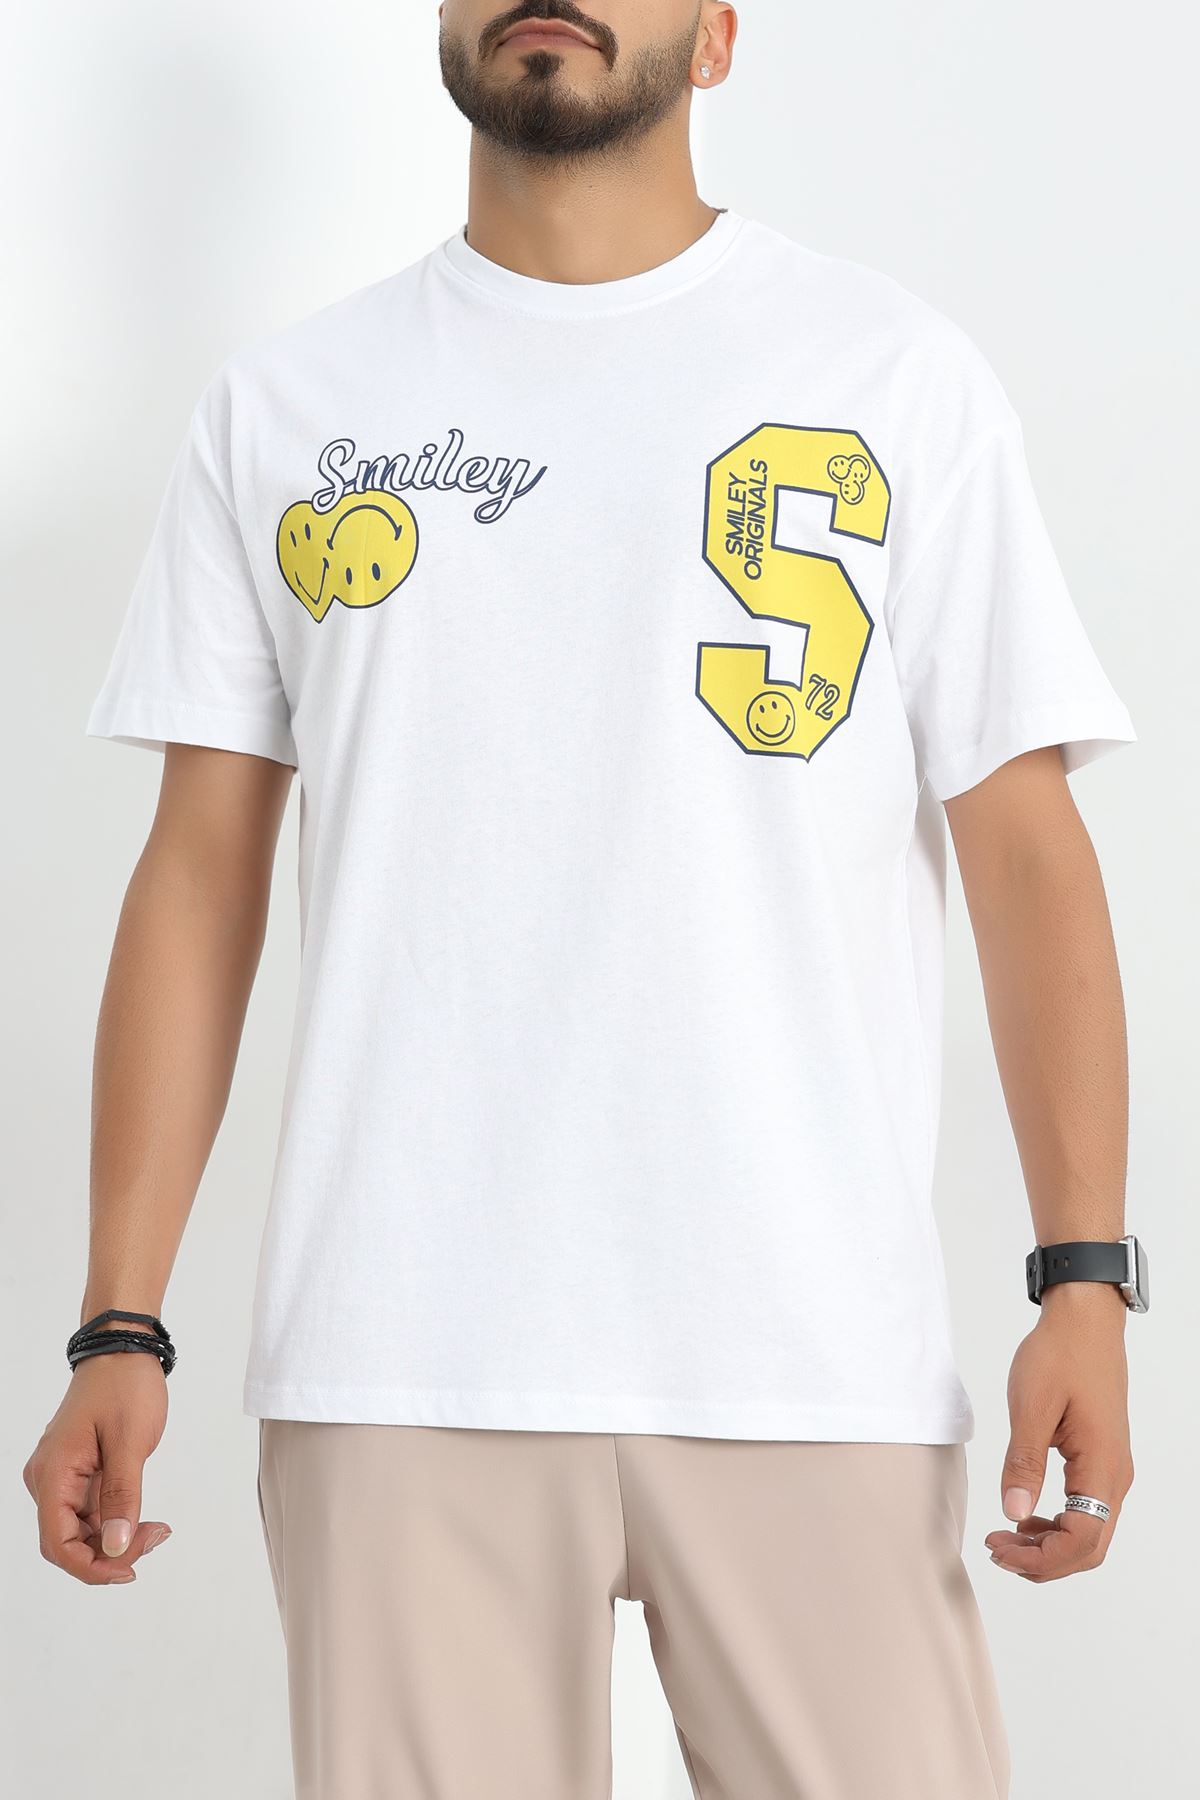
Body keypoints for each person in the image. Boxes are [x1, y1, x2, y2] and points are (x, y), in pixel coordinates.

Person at [24, 4, 1147, 1796]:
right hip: (399, 1353)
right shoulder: (290, 406)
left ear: (718, 36)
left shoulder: (893, 374)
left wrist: (1083, 1278)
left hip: (806, 1347)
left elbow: (1026, 851)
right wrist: (118, 1319)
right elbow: (196, 873)